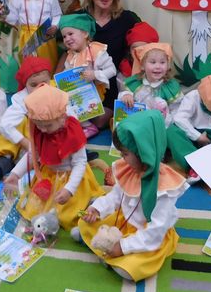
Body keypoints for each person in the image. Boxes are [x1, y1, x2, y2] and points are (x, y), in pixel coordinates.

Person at [78, 110, 188, 281]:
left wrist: (123, 247)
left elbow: (155, 232)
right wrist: (97, 209)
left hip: (148, 235)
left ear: (143, 151)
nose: (122, 159)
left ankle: (117, 256)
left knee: (130, 270)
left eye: (125, 154)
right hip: (124, 222)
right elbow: (115, 197)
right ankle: (109, 250)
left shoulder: (164, 188)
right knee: (84, 224)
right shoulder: (130, 169)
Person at [3, 84, 104, 231]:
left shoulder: (72, 132)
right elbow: (33, 154)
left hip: (71, 178)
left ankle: (89, 205)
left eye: (48, 125)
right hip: (48, 176)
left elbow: (80, 163)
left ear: (62, 117)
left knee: (70, 215)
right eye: (38, 125)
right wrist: (15, 174)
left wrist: (69, 189)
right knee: (32, 210)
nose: (43, 130)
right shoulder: (40, 129)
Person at [73, 0, 142, 128]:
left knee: (100, 120)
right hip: (82, 80)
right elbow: (66, 51)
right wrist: (54, 82)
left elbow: (141, 47)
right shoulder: (79, 18)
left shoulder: (127, 18)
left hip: (110, 80)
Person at [0, 56, 53, 183]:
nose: (40, 88)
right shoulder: (21, 99)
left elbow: (70, 117)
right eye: (33, 85)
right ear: (26, 85)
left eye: (44, 83)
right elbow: (5, 124)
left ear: (49, 80)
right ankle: (5, 160)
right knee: (17, 123)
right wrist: (25, 142)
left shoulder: (55, 92)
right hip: (28, 144)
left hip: (50, 140)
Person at [59, 13, 117, 138]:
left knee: (73, 108)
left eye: (70, 34)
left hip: (94, 93)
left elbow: (112, 70)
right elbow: (67, 72)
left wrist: (95, 74)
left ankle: (87, 126)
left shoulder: (96, 50)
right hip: (77, 92)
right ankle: (77, 125)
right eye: (64, 36)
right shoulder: (70, 55)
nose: (67, 39)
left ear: (85, 33)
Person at [5, 0, 62, 67]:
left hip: (45, 35)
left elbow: (57, 15)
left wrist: (55, 26)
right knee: (28, 65)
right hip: (25, 37)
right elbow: (12, 19)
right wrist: (3, 13)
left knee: (47, 63)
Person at [118, 43, 182, 124]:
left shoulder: (170, 86)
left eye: (162, 62)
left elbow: (177, 109)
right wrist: (126, 95)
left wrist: (167, 118)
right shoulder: (136, 82)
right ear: (142, 66)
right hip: (138, 122)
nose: (158, 66)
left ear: (168, 65)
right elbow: (123, 98)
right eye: (153, 62)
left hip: (161, 124)